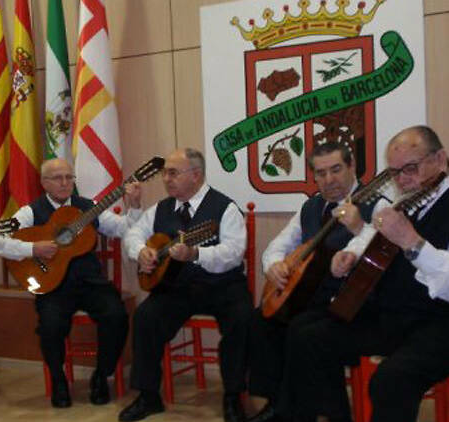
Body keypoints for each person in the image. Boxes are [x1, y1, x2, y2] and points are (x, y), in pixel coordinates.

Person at [287, 125, 449, 422]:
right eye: (395, 172)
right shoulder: (407, 204)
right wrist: (352, 254)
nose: (403, 180)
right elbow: (372, 240)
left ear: (440, 158)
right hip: (394, 315)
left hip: (440, 323)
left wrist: (412, 242)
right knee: (307, 337)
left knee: (390, 380)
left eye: (410, 168)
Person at [247, 142, 384, 422]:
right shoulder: (310, 207)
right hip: (314, 297)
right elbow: (279, 244)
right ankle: (276, 401)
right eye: (321, 173)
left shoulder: (376, 203)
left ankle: (316, 413)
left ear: (352, 167)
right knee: (261, 318)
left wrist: (352, 243)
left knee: (304, 331)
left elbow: (371, 240)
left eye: (336, 170)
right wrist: (272, 265)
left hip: (356, 302)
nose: (329, 179)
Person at [0, 158, 142, 408]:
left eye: (69, 177)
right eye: (57, 178)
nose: (64, 183)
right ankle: (59, 380)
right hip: (53, 285)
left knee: (117, 316)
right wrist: (33, 248)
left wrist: (134, 206)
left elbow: (125, 229)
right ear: (43, 183)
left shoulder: (88, 207)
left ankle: (101, 376)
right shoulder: (30, 212)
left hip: (90, 282)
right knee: (50, 326)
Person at [119, 148, 252, 422]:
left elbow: (233, 252)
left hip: (222, 285)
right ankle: (148, 396)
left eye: (172, 173)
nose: (166, 179)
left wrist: (196, 254)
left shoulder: (225, 208)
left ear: (196, 175)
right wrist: (140, 251)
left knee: (243, 319)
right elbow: (133, 234)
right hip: (177, 288)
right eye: (165, 173)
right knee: (145, 316)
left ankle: (233, 395)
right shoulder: (160, 208)